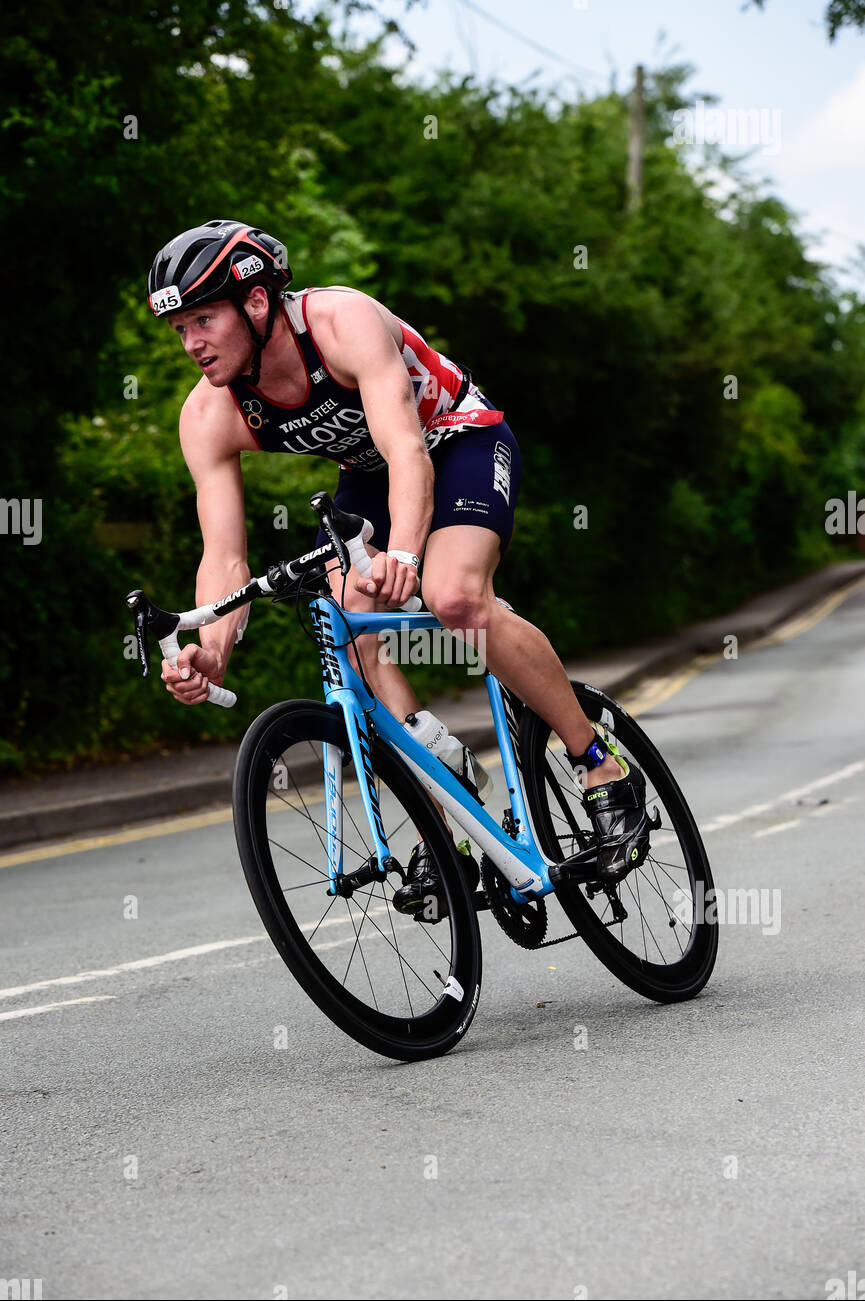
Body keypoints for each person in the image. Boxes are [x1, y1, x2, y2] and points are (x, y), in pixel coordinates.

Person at [149, 219, 649, 901]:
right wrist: (213, 649)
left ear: (256, 303)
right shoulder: (208, 414)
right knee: (345, 627)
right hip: (368, 475)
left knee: (454, 599)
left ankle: (597, 760)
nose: (191, 343)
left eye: (203, 319)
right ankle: (450, 813)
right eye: (180, 330)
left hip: (457, 439)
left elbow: (408, 450)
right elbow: (224, 554)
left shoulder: (341, 321)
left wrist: (407, 557)